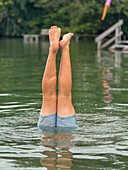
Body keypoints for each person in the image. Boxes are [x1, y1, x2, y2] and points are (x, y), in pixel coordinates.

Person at [38, 26, 77, 128]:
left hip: (46, 129)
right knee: (63, 96)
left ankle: (54, 50)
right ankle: (63, 48)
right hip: (66, 129)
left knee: (50, 96)